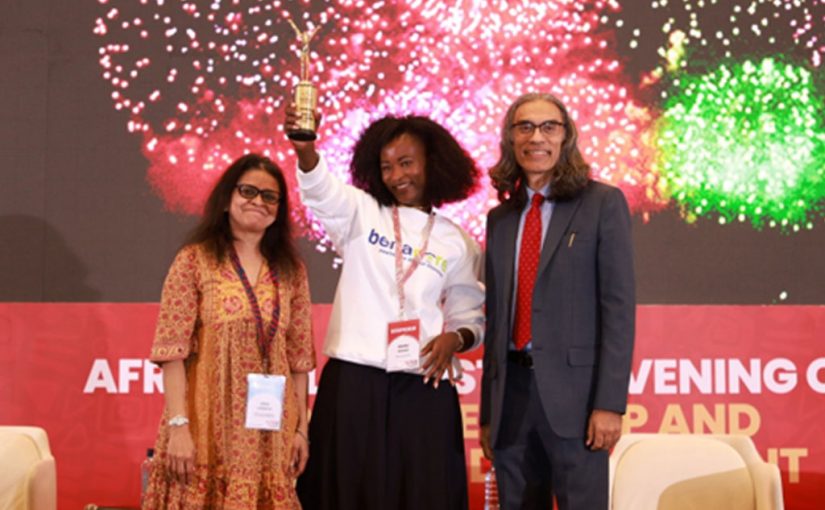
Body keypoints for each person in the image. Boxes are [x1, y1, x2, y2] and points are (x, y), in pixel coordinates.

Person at [284, 107, 485, 510]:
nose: (397, 176)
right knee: (346, 492)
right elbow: (320, 190)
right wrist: (305, 149)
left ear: (433, 163)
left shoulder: (457, 242)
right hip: (354, 381)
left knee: (421, 495)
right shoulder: (362, 212)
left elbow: (470, 319)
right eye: (387, 167)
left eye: (407, 163)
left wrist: (455, 338)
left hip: (422, 386)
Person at [480, 93, 636, 509]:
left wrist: (609, 404)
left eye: (549, 126)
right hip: (511, 400)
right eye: (525, 127)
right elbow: (496, 321)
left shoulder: (602, 204)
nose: (537, 137)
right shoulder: (500, 219)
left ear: (566, 136)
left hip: (578, 402)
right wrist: (488, 413)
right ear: (511, 139)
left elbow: (618, 311)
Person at [142, 153, 316, 509]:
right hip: (206, 428)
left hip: (270, 434)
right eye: (248, 191)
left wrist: (301, 431)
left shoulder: (291, 271)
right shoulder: (195, 260)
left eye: (270, 196)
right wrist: (179, 427)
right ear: (226, 199)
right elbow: (172, 353)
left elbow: (299, 360)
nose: (258, 201)